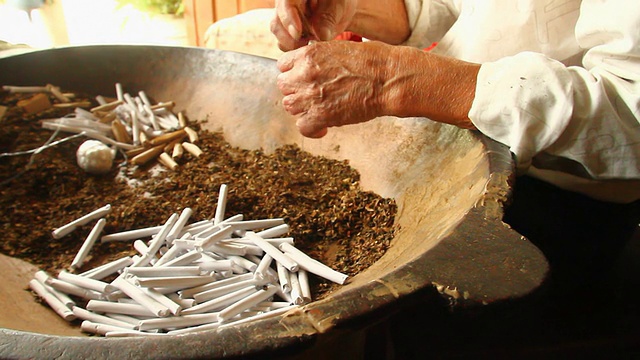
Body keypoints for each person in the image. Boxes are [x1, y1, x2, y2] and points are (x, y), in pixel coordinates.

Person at [271, 0, 640, 205]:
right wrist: (353, 7)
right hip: (455, 150)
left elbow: (628, 113)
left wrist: (390, 79)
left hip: (561, 199)